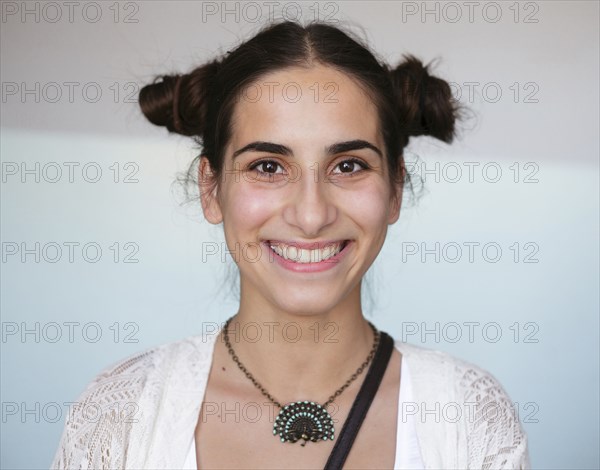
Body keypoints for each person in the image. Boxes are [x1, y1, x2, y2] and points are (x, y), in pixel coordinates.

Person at [51, 20, 530, 469]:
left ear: (395, 190)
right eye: (267, 167)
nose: (311, 215)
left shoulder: (468, 417)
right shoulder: (122, 413)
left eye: (348, 166)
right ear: (211, 189)